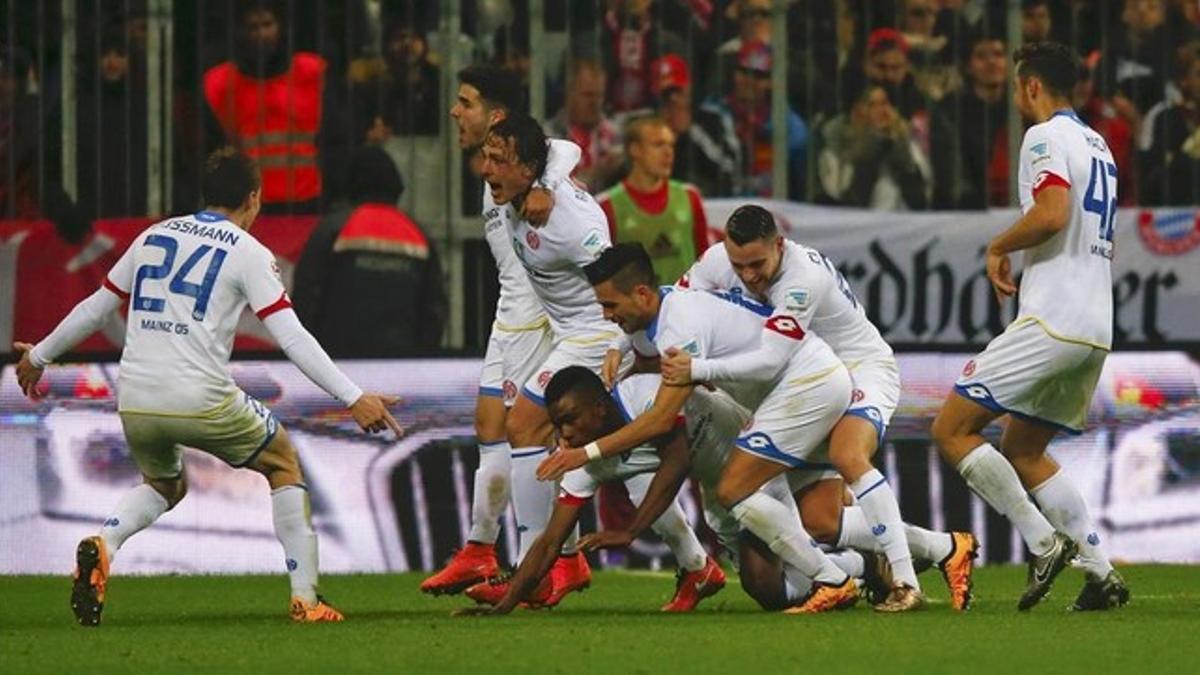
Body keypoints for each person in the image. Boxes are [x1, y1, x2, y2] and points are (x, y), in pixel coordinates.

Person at [12, 147, 401, 626]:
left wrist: (38, 356)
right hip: (199, 396)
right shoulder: (249, 252)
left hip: (134, 397)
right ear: (254, 199)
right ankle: (306, 600)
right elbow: (291, 336)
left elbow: (96, 308)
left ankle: (104, 543)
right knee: (282, 461)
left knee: (164, 483)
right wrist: (352, 397)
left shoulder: (153, 237)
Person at [676, 205, 975, 611]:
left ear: (779, 245)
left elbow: (770, 359)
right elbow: (677, 306)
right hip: (807, 387)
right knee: (821, 521)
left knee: (847, 454)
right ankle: (946, 548)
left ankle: (906, 583)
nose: (748, 276)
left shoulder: (802, 279)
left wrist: (696, 367)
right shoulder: (715, 261)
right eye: (738, 265)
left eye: (758, 264)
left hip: (859, 371)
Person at [539, 243, 861, 614]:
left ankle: (866, 568)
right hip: (758, 410)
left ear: (641, 293)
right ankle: (866, 566)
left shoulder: (678, 327)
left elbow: (662, 421)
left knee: (759, 500)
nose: (605, 314)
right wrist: (618, 343)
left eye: (609, 306)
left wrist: (586, 454)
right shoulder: (656, 317)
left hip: (793, 393)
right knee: (772, 581)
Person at [930, 41, 1130, 612]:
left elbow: (1052, 213)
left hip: (1052, 319)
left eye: (1020, 86)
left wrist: (998, 245)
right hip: (1095, 325)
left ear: (1033, 87)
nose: (1019, 97)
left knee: (951, 428)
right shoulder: (1100, 145)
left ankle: (1043, 543)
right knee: (1023, 444)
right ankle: (1100, 574)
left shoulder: (1042, 137)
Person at [420, 65, 583, 597]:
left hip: (540, 315)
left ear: (495, 117)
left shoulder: (534, 166)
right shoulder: (495, 172)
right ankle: (481, 550)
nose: (454, 111)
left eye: (464, 101)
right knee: (491, 426)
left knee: (525, 432)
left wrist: (546, 185)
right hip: (509, 315)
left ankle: (548, 558)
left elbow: (566, 149)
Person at [471, 114, 621, 607]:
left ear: (528, 166)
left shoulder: (569, 225)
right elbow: (566, 148)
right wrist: (544, 181)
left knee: (525, 425)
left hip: (597, 333)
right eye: (486, 157)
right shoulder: (528, 185)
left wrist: (624, 349)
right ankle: (693, 562)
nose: (485, 168)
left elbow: (615, 288)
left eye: (499, 160)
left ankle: (530, 569)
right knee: (638, 457)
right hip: (566, 333)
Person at [458, 369, 724, 615]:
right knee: (762, 586)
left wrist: (629, 532)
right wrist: (503, 607)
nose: (565, 434)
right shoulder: (585, 467)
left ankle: (696, 567)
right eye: (558, 425)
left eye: (570, 420)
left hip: (749, 451)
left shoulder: (642, 394)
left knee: (752, 511)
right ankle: (698, 570)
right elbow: (550, 542)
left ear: (599, 409)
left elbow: (677, 462)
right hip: (723, 487)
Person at [291, 146, 446, 356]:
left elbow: (305, 296)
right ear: (395, 185)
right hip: (401, 362)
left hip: (339, 364)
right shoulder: (418, 234)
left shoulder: (333, 229)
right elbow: (434, 309)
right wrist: (420, 355)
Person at [203, 1, 347, 213]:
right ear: (240, 31)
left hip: (309, 202)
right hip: (248, 205)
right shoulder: (220, 84)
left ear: (281, 26)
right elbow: (211, 150)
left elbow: (336, 139)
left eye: (267, 24)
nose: (260, 34)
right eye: (252, 27)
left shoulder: (312, 73)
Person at [598, 116, 711, 287]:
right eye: (658, 145)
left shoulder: (690, 197)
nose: (668, 153)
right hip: (634, 311)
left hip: (686, 308)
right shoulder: (607, 206)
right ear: (635, 150)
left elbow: (706, 260)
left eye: (671, 145)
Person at [816, 84, 932, 209]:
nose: (882, 110)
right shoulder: (834, 152)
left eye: (884, 103)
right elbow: (844, 200)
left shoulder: (907, 144)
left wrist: (898, 147)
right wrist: (875, 145)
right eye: (872, 105)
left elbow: (920, 199)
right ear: (856, 112)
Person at [931, 31, 1011, 209]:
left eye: (998, 54)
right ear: (968, 66)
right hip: (966, 213)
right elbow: (952, 176)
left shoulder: (1019, 107)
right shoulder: (950, 109)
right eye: (982, 56)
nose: (992, 62)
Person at [650, 54, 741, 198]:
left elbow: (730, 168)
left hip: (713, 205)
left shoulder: (713, 119)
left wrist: (689, 133)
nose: (674, 99)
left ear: (688, 87)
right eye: (666, 95)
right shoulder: (646, 127)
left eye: (677, 91)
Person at [544, 58, 624, 193]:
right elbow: (552, 188)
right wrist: (598, 172)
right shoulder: (550, 136)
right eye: (588, 95)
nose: (595, 103)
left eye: (599, 96)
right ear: (570, 94)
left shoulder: (615, 135)